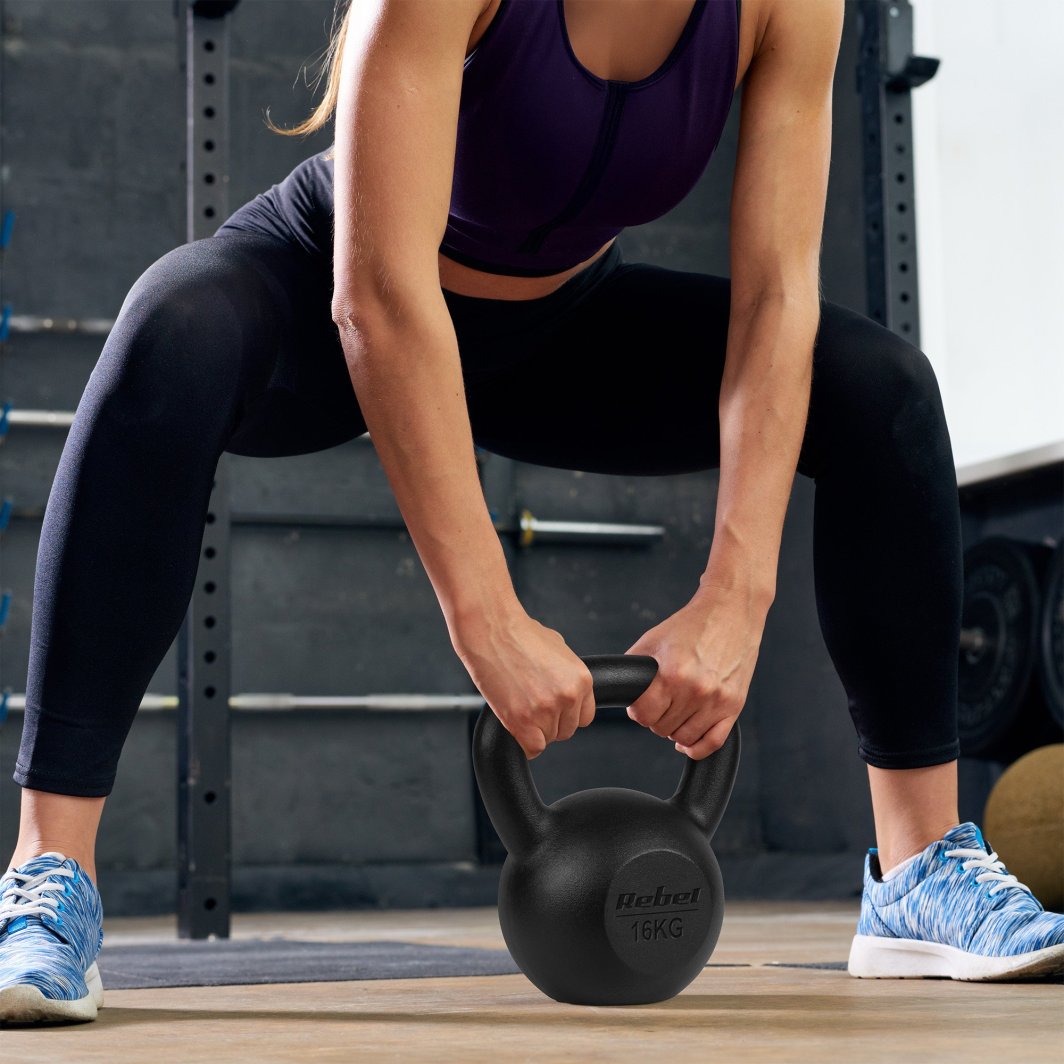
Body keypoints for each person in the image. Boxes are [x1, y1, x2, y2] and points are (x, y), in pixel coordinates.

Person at [1, 0, 1062, 1026]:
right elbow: (377, 290)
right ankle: (49, 874)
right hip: (340, 285)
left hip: (558, 324)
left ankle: (917, 870)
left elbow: (775, 292)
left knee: (880, 389)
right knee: (170, 328)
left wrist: (737, 593)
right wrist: (489, 617)